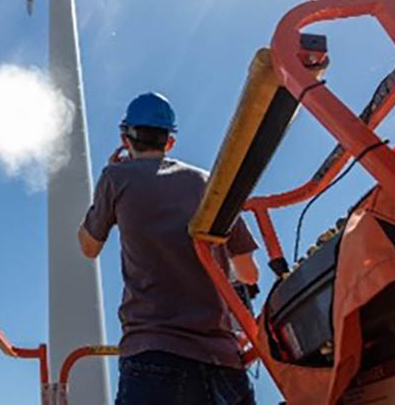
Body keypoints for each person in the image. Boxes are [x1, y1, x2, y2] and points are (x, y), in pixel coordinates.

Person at [78, 92, 259, 405]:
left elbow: (89, 247)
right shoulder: (209, 183)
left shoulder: (115, 177)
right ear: (170, 142)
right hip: (223, 363)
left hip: (153, 355)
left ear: (125, 138)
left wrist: (106, 198)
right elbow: (249, 273)